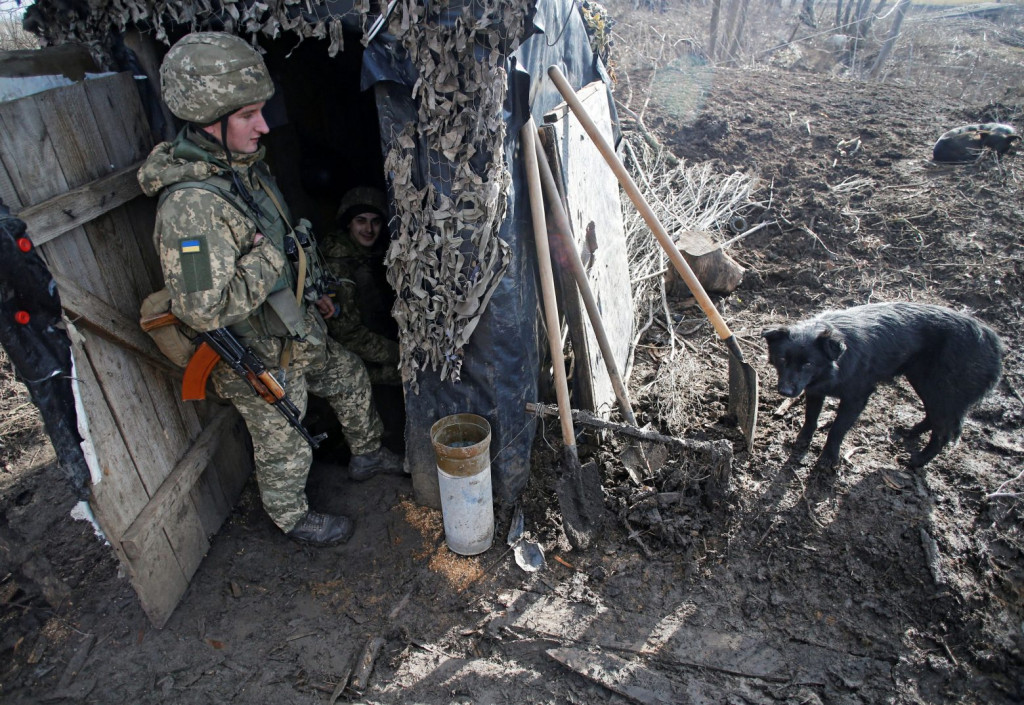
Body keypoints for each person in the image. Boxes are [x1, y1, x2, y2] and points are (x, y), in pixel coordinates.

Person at [138, 32, 402, 547]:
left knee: (349, 376)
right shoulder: (191, 209)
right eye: (248, 115)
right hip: (255, 352)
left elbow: (287, 242)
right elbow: (203, 309)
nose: (263, 126)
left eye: (261, 111)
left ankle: (368, 456)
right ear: (210, 120)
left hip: (294, 327)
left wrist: (310, 289)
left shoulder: (246, 172)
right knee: (285, 440)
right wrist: (265, 259)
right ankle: (292, 517)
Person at [322, 187, 401, 386]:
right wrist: (400, 353)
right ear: (349, 223)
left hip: (379, 342)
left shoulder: (375, 253)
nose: (369, 229)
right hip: (352, 361)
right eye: (361, 221)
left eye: (376, 222)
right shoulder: (338, 266)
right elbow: (349, 336)